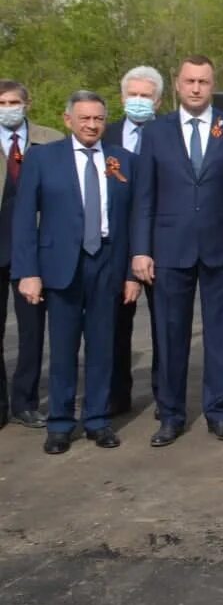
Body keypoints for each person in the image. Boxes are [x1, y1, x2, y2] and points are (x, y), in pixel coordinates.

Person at [131, 55, 223, 447]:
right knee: (169, 335)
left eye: (204, 81)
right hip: (169, 249)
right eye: (189, 81)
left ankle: (218, 412)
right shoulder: (156, 133)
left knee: (220, 333)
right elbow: (144, 197)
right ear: (177, 83)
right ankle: (170, 415)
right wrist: (141, 250)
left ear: (213, 84)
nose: (196, 88)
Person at [12, 91, 140, 454]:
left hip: (108, 263)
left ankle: (98, 420)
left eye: (98, 119)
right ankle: (60, 423)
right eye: (84, 118)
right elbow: (24, 220)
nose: (92, 125)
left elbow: (133, 219)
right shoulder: (42, 159)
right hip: (60, 265)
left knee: (102, 346)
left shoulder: (123, 161)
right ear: (68, 120)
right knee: (64, 347)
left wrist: (131, 273)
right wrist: (28, 271)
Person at [0, 79, 62, 430]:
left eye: (14, 102)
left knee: (32, 331)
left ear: (28, 104)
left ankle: (25, 401)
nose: (8, 108)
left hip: (34, 251)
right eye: (2, 102)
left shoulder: (50, 140)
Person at [103, 65, 164, 416]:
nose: (139, 101)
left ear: (157, 100)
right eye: (133, 95)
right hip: (113, 242)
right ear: (123, 97)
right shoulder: (103, 133)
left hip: (158, 243)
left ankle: (164, 395)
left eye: (146, 96)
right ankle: (116, 395)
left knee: (163, 325)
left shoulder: (170, 133)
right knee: (114, 324)